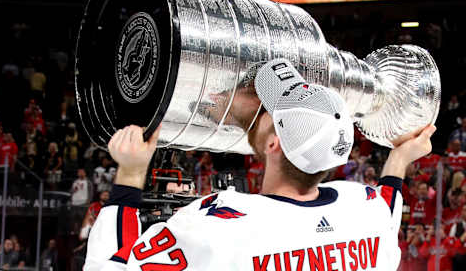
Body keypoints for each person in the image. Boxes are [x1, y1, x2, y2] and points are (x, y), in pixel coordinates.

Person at [84, 59, 436, 270]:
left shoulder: (219, 222)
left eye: (267, 111)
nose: (259, 111)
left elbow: (110, 267)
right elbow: (388, 208)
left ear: (273, 144)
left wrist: (130, 173)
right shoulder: (363, 209)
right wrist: (400, 158)